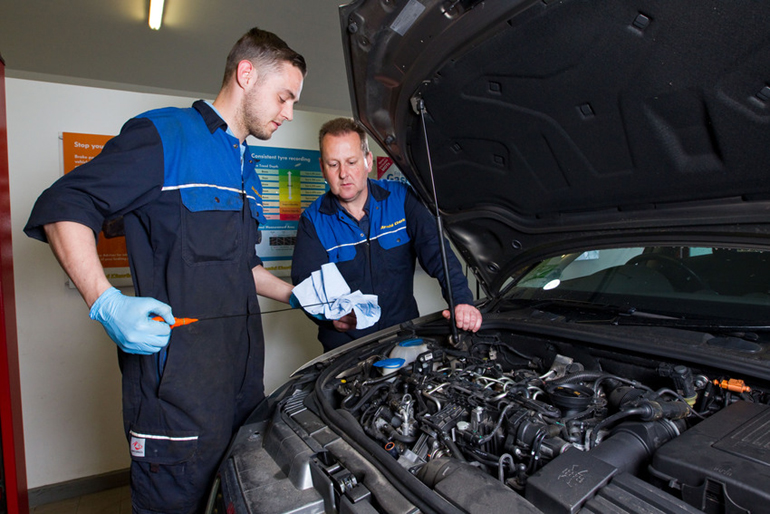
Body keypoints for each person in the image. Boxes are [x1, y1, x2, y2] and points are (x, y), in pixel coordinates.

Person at [24, 27, 305, 514]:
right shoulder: (163, 136)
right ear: (245, 74)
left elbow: (242, 268)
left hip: (241, 392)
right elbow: (63, 204)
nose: (288, 113)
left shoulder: (248, 166)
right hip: (175, 400)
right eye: (284, 97)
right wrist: (104, 301)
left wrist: (299, 295)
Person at [291, 118, 482, 352]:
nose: (344, 174)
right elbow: (306, 285)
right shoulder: (313, 221)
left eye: (351, 162)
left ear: (368, 161)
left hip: (402, 337)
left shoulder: (402, 200)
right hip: (346, 349)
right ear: (322, 167)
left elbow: (439, 255)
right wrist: (328, 318)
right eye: (333, 164)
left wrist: (461, 301)